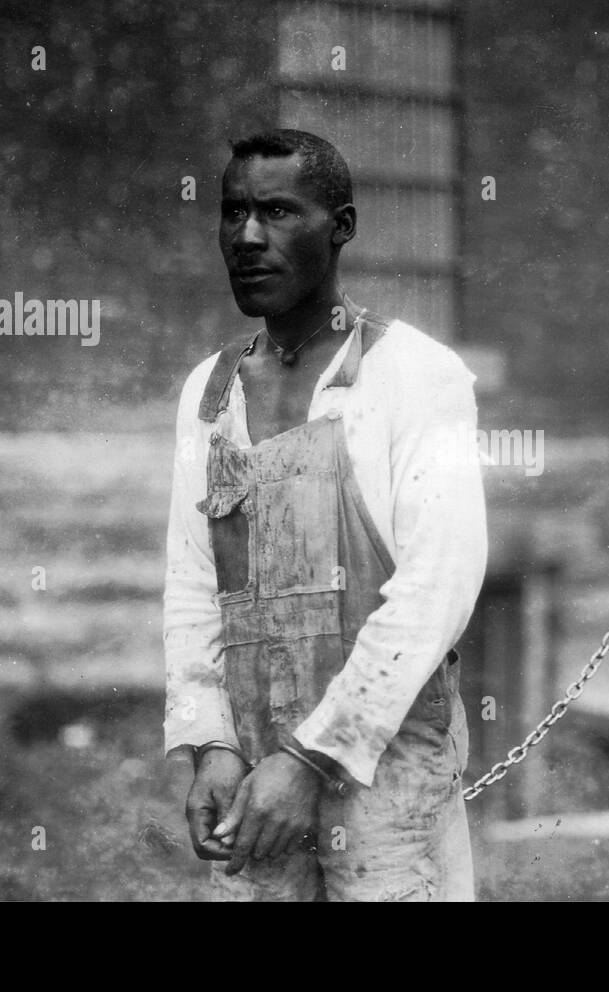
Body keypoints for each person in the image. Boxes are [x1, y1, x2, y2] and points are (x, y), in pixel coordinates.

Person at [162, 128, 486, 901]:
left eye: (277, 212)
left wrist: (311, 759)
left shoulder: (415, 377)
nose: (247, 237)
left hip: (387, 774)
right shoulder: (209, 395)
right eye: (232, 213)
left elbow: (436, 589)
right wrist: (210, 744)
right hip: (254, 779)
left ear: (340, 226)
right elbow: (192, 587)